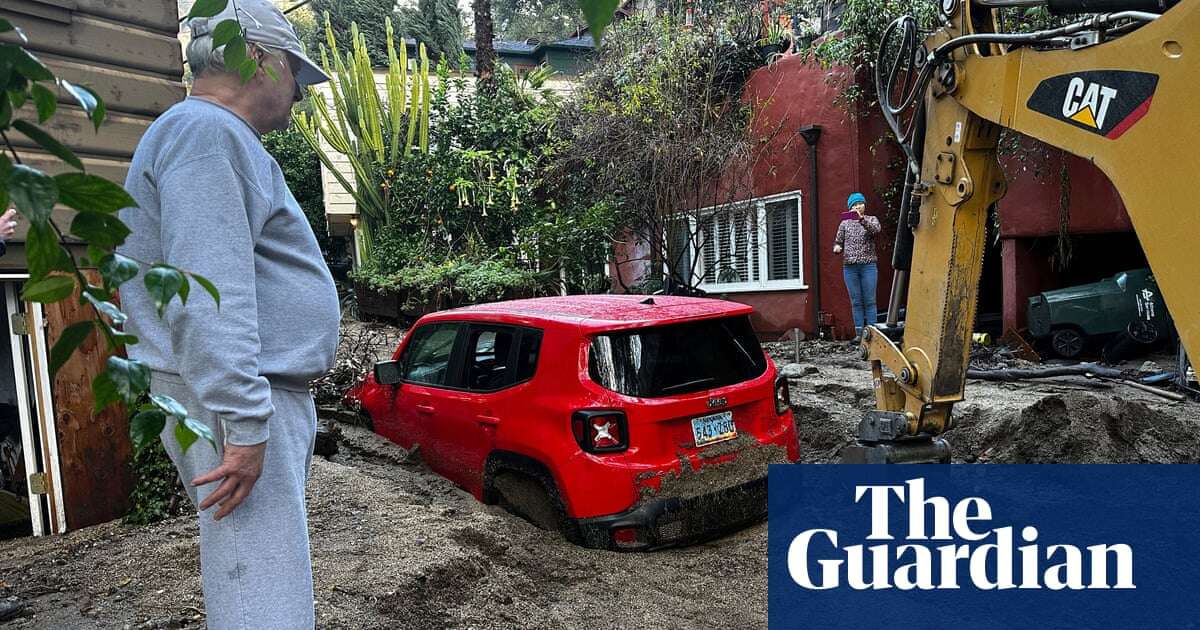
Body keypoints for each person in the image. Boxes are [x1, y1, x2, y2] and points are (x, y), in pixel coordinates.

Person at [116, 1, 339, 627]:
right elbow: (208, 291)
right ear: (259, 58)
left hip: (233, 388)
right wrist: (243, 424)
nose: (299, 92)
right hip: (234, 394)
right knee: (260, 583)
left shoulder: (204, 135)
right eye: (296, 72)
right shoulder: (205, 134)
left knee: (258, 569)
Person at [833, 192, 881, 339]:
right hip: (850, 268)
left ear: (864, 205)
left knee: (870, 301)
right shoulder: (844, 223)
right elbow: (838, 241)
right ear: (850, 208)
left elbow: (876, 230)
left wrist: (861, 220)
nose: (857, 207)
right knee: (856, 301)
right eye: (854, 205)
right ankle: (860, 334)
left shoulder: (871, 219)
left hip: (868, 266)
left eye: (860, 204)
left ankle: (872, 334)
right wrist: (837, 247)